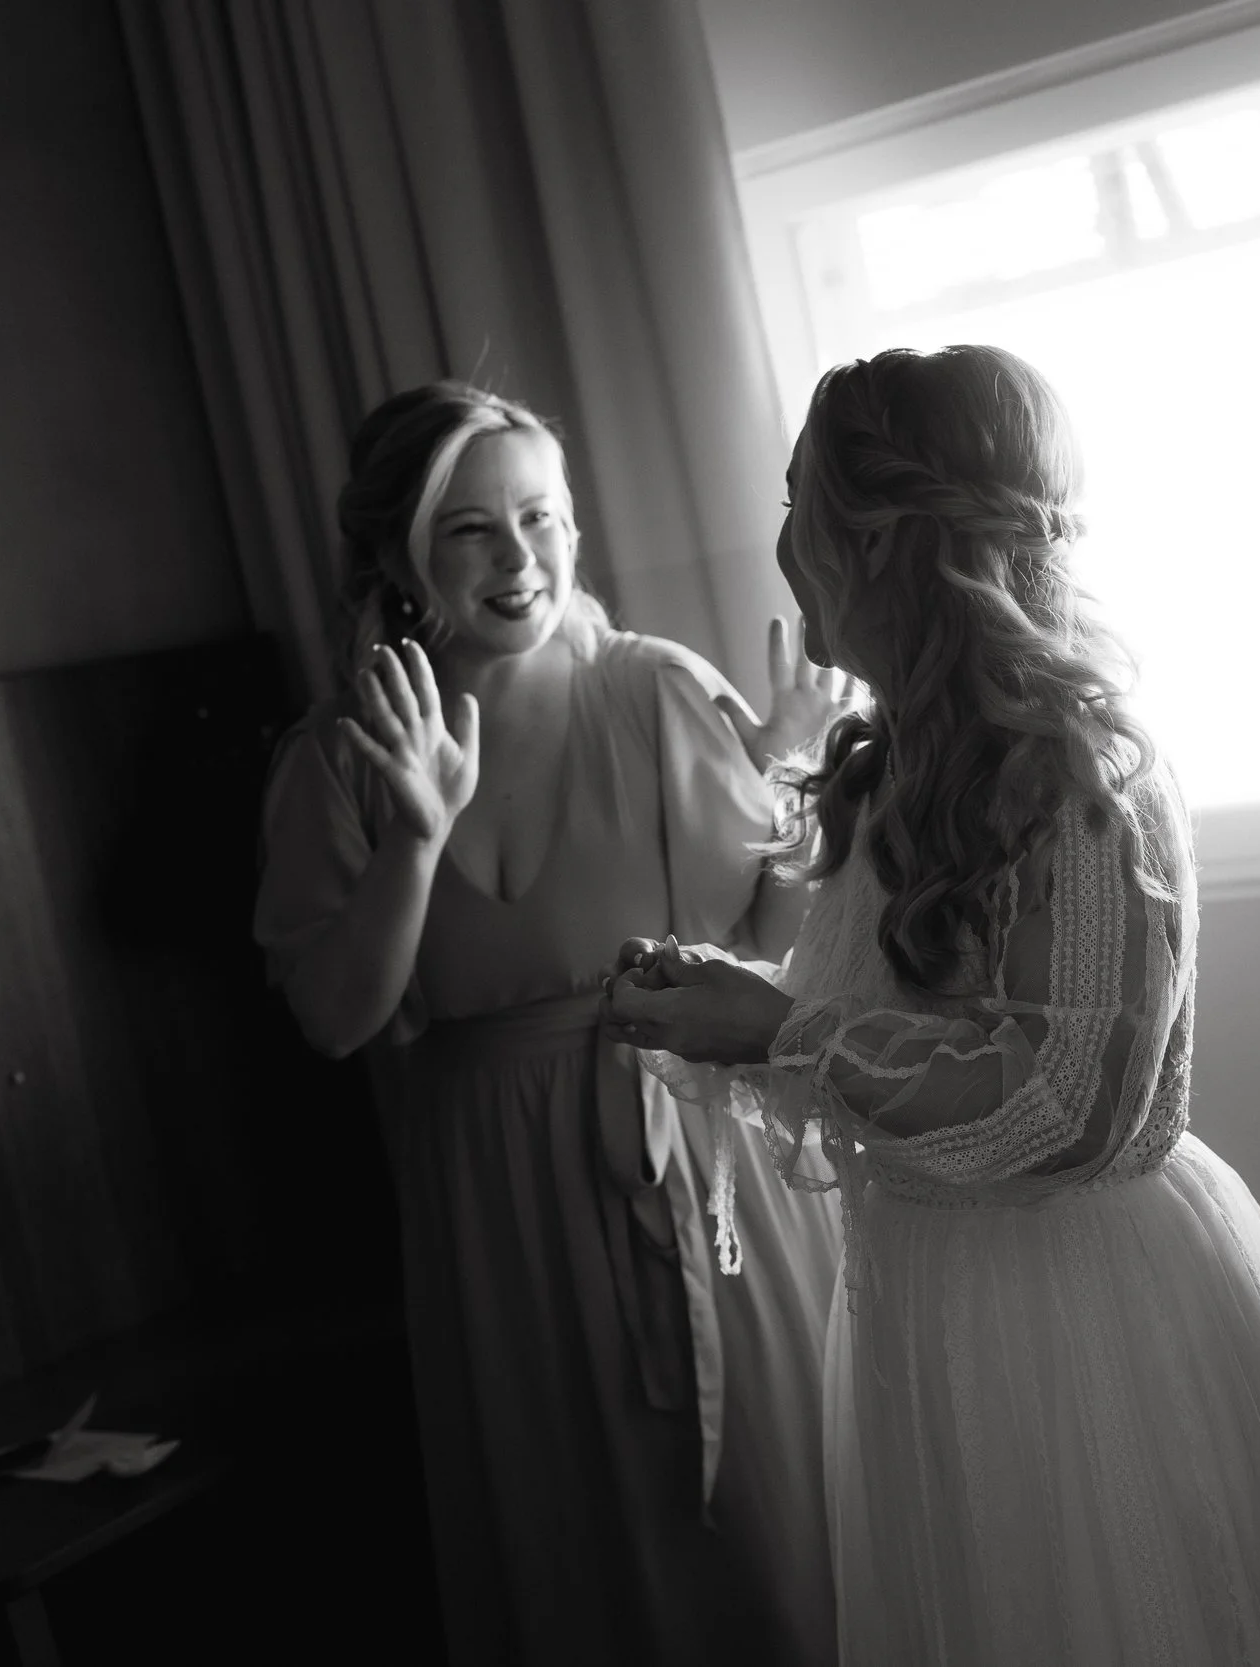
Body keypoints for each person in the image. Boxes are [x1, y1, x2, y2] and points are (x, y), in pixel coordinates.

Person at [606, 345, 1260, 1666]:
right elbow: (927, 1027)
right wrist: (740, 998)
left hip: (1080, 1310)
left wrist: (775, 1030)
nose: (781, 541)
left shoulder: (1082, 772)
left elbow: (1067, 1105)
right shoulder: (893, 762)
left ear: (881, 537)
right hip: (921, 1300)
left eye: (797, 501)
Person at [253, 383, 844, 1666]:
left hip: (697, 1157)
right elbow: (341, 1021)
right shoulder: (340, 758)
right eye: (470, 530)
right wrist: (415, 836)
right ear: (400, 555)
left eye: (543, 517)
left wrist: (789, 779)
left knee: (767, 1534)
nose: (519, 560)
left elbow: (761, 957)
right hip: (494, 1209)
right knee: (573, 1548)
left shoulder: (655, 692)